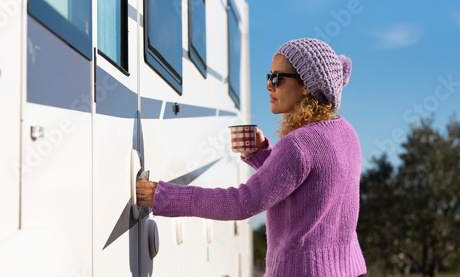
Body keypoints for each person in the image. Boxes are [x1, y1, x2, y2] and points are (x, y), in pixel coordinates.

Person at [136, 38, 367, 276]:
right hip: (349, 269)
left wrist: (164, 196)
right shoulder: (347, 133)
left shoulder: (298, 144)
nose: (269, 86)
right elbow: (306, 188)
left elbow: (242, 203)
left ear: (306, 84)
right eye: (269, 77)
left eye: (276, 79)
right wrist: (261, 155)